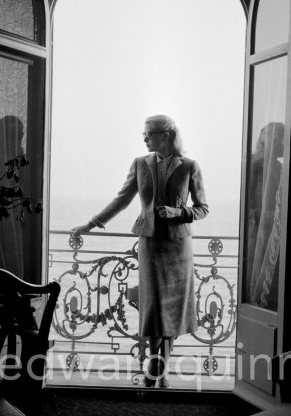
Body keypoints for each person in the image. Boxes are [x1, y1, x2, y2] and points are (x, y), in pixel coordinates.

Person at [72, 115, 209, 388]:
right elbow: (122, 199)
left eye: (148, 134)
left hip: (178, 248)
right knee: (155, 310)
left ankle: (158, 370)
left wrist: (178, 212)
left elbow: (203, 208)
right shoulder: (140, 164)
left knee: (174, 311)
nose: (144, 139)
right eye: (143, 134)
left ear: (166, 135)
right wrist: (91, 224)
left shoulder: (190, 166)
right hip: (150, 246)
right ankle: (156, 369)